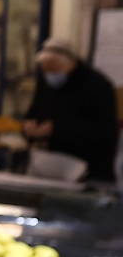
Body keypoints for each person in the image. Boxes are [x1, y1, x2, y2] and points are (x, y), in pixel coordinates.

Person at [23, 38, 118, 183]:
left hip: (89, 171)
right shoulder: (46, 84)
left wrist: (56, 129)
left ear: (72, 63)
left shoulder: (98, 87)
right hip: (50, 168)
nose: (50, 74)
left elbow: (102, 131)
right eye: (45, 69)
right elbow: (34, 114)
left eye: (54, 69)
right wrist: (29, 128)